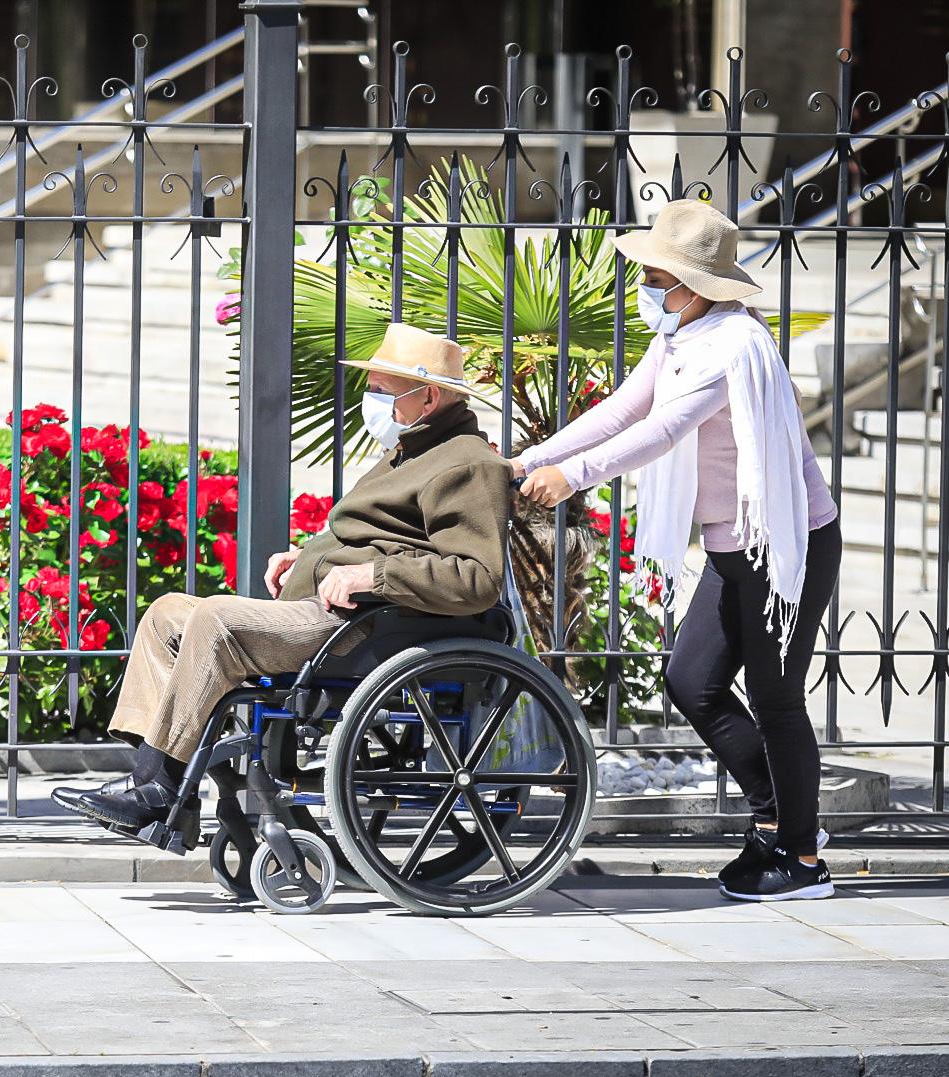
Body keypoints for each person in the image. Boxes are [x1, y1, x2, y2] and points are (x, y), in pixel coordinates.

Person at [56, 323, 511, 843]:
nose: (373, 401)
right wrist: (307, 558)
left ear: (428, 396)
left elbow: (477, 579)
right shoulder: (412, 450)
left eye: (383, 390)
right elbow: (379, 535)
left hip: (370, 625)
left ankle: (158, 790)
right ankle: (155, 779)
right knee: (167, 615)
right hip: (342, 611)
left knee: (216, 620)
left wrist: (372, 574)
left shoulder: (468, 463)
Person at [512, 198, 842, 902]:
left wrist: (572, 476)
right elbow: (623, 409)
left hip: (786, 542)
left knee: (776, 698)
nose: (645, 289)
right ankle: (777, 817)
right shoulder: (681, 337)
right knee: (692, 681)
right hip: (733, 546)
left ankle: (804, 856)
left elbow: (662, 431)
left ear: (695, 285)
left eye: (657, 278)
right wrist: (530, 459)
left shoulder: (734, 347)